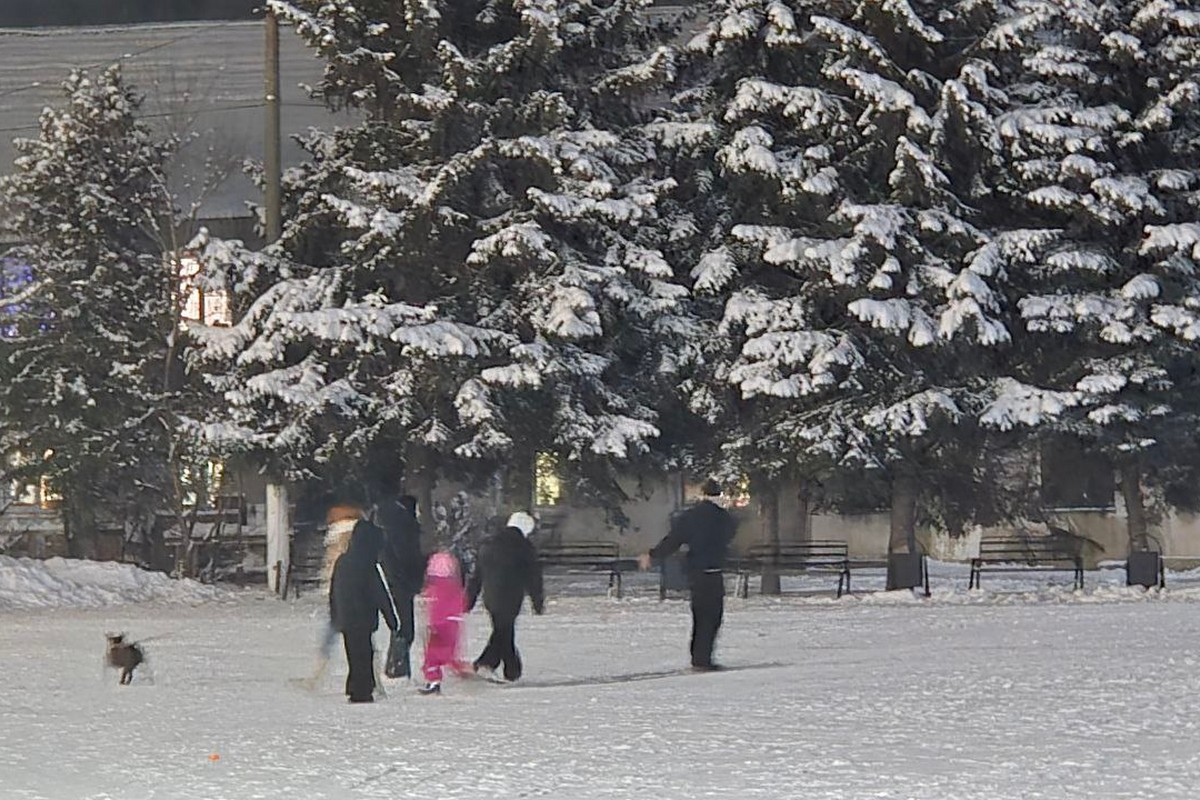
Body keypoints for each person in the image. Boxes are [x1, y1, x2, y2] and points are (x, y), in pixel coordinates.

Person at [639, 480, 737, 671]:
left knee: (700, 615)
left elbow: (673, 540)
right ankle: (703, 658)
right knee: (713, 615)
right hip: (714, 570)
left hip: (696, 570)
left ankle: (698, 657)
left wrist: (652, 555)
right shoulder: (725, 518)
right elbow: (729, 537)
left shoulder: (691, 516)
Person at [467, 511, 544, 683]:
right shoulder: (524, 548)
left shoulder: (489, 544)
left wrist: (469, 599)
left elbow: (477, 575)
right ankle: (486, 663)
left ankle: (512, 668)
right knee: (503, 631)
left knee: (503, 630)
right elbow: (533, 577)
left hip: (491, 595)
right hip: (511, 596)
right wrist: (537, 601)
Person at [329, 520, 400, 703]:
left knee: (354, 653)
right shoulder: (367, 565)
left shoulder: (343, 561)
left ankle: (355, 685)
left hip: (346, 617)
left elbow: (334, 590)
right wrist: (391, 619)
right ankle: (362, 691)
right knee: (364, 654)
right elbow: (379, 594)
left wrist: (335, 615)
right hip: (362, 618)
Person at [375, 494, 426, 678]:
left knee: (402, 626)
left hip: (395, 581)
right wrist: (415, 575)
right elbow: (407, 557)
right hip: (401, 583)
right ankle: (397, 669)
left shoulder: (393, 527)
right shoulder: (405, 528)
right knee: (405, 629)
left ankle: (396, 667)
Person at [418, 551, 468, 695]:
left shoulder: (433, 588)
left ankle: (434, 681)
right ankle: (460, 669)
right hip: (452, 624)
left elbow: (431, 606)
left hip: (438, 625)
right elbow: (461, 603)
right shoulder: (455, 587)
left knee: (432, 657)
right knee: (448, 653)